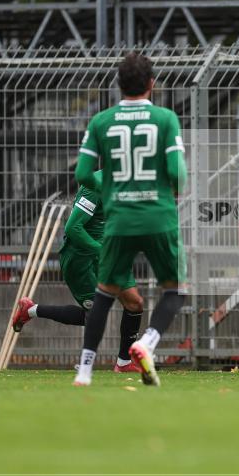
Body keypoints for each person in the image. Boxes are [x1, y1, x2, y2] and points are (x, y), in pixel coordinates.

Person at [73, 52, 188, 387]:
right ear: (152, 84)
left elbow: (82, 173)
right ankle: (146, 342)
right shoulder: (165, 119)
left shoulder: (101, 122)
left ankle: (84, 370)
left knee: (105, 294)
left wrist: (110, 189)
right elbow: (177, 173)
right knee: (176, 290)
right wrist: (171, 194)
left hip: (119, 220)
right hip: (158, 217)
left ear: (118, 85)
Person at [10, 170, 145, 373]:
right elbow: (73, 227)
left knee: (134, 303)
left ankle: (124, 363)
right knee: (94, 313)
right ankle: (84, 363)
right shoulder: (95, 185)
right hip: (82, 258)